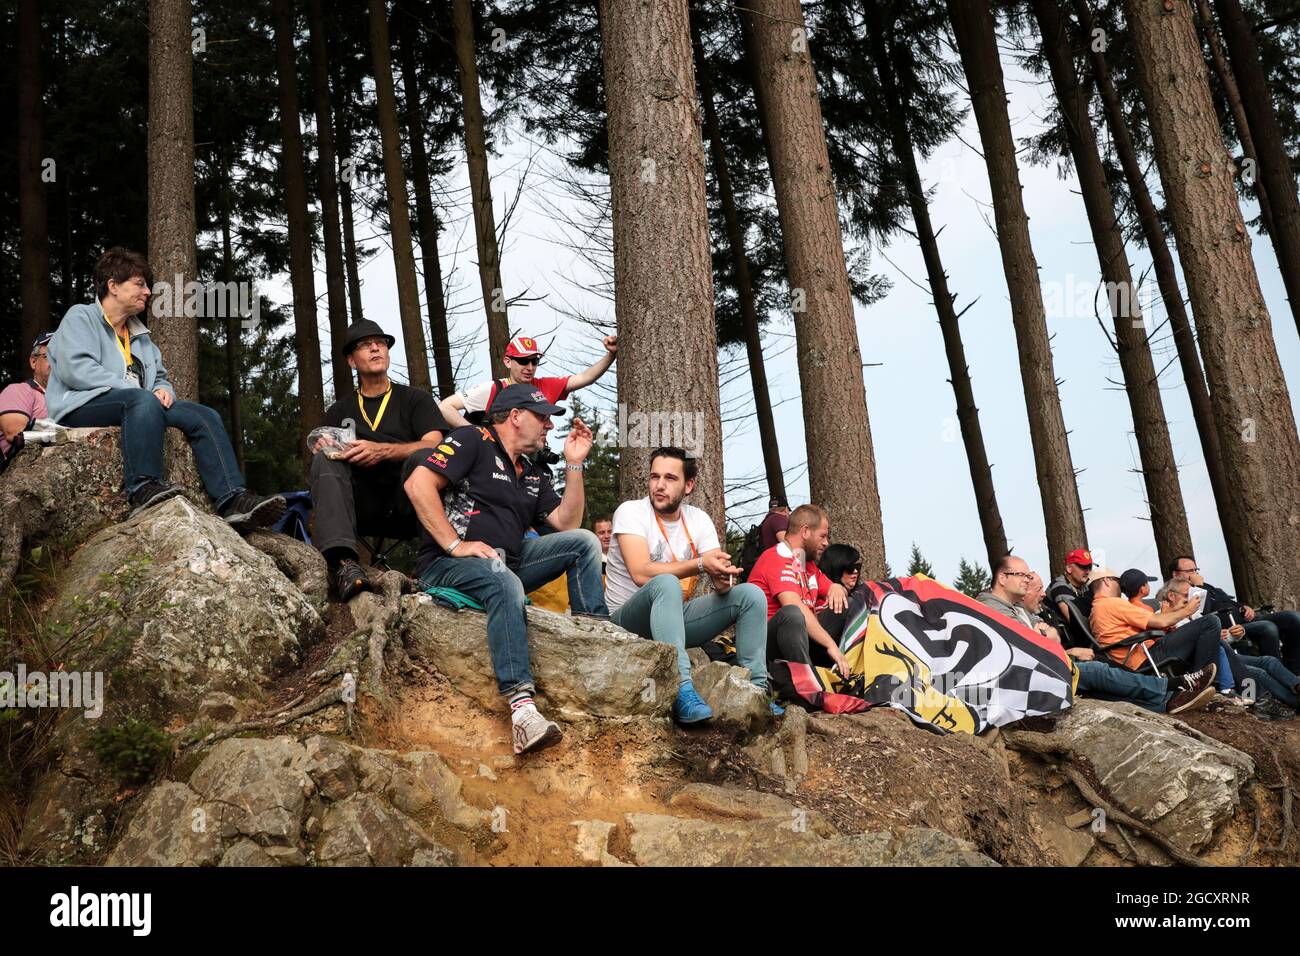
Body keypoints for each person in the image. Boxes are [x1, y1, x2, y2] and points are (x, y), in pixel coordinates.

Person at [405, 383, 606, 755]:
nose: (549, 425)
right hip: (447, 564)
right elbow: (418, 484)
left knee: (585, 543)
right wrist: (454, 544)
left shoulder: (531, 469)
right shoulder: (471, 439)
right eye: (542, 417)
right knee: (505, 580)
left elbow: (567, 522)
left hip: (506, 563)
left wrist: (575, 462)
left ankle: (595, 640)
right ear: (515, 416)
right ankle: (522, 713)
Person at [45, 247, 284, 528]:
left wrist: (164, 390)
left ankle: (233, 500)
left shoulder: (140, 336)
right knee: (141, 402)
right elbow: (77, 370)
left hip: (139, 405)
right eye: (139, 284)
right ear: (112, 286)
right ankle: (143, 488)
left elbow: (159, 377)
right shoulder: (81, 317)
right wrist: (139, 393)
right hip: (81, 403)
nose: (147, 292)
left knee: (203, 415)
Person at [604, 447, 773, 723]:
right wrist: (700, 564)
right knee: (666, 583)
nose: (659, 485)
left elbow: (718, 573)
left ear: (689, 485)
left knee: (751, 595)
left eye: (670, 478)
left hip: (673, 620)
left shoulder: (699, 519)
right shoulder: (630, 512)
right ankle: (682, 689)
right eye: (654, 477)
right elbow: (640, 572)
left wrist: (723, 578)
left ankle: (757, 692)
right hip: (626, 621)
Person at [311, 320, 447, 600]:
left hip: (408, 503)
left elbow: (436, 444)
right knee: (325, 460)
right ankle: (344, 565)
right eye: (365, 344)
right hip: (360, 507)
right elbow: (322, 447)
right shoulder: (340, 410)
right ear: (351, 361)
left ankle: (435, 567)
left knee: (425, 456)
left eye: (381, 342)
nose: (375, 347)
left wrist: (382, 450)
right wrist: (323, 446)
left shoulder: (415, 399)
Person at [984, 565, 1217, 715]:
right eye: (1022, 577)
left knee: (1101, 685)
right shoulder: (1109, 604)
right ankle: (1178, 684)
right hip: (1133, 655)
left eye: (1029, 578)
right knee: (1098, 672)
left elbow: (1049, 638)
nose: (1042, 593)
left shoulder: (1023, 611)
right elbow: (1159, 623)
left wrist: (1053, 640)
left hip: (1058, 666)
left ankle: (1167, 702)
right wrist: (1186, 612)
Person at [1160, 577, 1300, 715]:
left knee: (1269, 661)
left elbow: (1221, 644)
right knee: (1258, 673)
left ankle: (1296, 685)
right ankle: (1286, 702)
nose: (1191, 600)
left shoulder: (1195, 615)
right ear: (1171, 595)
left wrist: (1233, 636)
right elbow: (1168, 645)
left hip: (1224, 654)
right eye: (1187, 596)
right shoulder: (1161, 617)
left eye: (1193, 596)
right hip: (1202, 661)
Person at [747, 504, 852, 676]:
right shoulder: (776, 557)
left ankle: (843, 668)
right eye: (823, 536)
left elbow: (831, 589)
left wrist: (837, 587)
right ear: (805, 531)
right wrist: (830, 644)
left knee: (848, 604)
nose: (827, 543)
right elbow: (794, 605)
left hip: (800, 640)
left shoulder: (803, 560)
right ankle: (807, 683)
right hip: (767, 645)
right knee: (792, 613)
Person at [437, 334, 618, 429]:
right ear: (508, 361)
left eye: (535, 361)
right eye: (523, 361)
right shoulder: (494, 388)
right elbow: (445, 407)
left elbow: (586, 378)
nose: (530, 367)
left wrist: (611, 354)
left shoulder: (545, 386)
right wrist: (475, 433)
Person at [1168, 555, 1300, 674]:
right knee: (1268, 627)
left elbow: (1228, 602)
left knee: (1293, 618)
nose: (1194, 573)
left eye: (1196, 570)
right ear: (1175, 574)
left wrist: (1244, 606)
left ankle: (1294, 670)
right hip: (1232, 627)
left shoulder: (1208, 586)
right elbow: (1203, 613)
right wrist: (1199, 587)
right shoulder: (1180, 594)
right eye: (1190, 571)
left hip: (1247, 618)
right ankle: (1279, 674)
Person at [1089, 566, 1226, 675]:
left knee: (1212, 639)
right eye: (1116, 581)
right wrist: (1187, 610)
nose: (1119, 586)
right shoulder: (1112, 603)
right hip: (1145, 658)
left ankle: (1209, 680)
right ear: (1106, 581)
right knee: (1210, 622)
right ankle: (1202, 681)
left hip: (1138, 657)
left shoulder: (1097, 608)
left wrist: (1176, 609)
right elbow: (1159, 622)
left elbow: (1151, 624)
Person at [0, 332, 52, 469]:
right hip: (26, 471)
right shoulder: (19, 390)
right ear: (33, 362)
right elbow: (15, 433)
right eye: (49, 356)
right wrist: (64, 434)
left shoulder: (72, 397)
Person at [1048, 548, 1094, 624]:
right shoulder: (1059, 586)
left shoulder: (1085, 586)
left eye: (1089, 567)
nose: (1088, 571)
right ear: (1069, 568)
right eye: (1083, 567)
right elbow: (1075, 620)